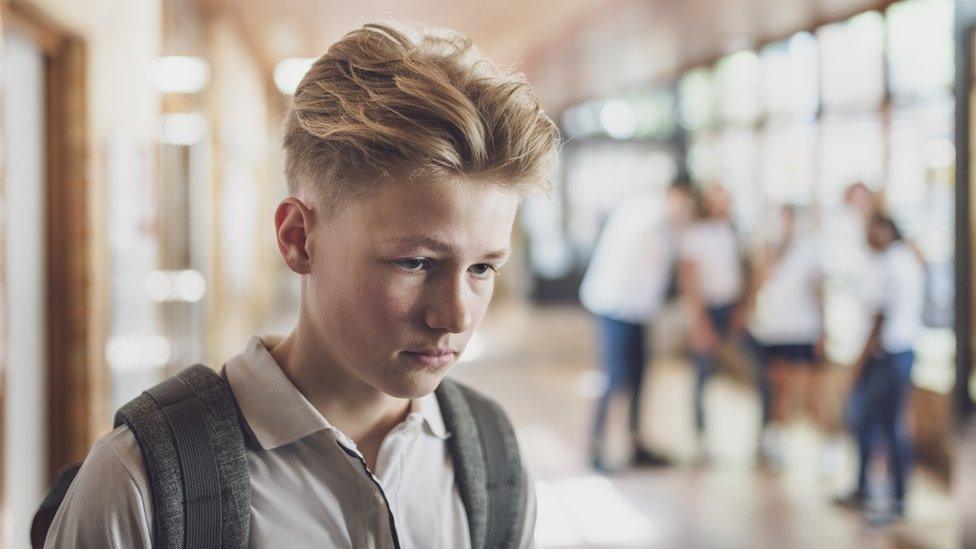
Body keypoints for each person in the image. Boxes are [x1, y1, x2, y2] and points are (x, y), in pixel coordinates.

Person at [43, 22, 559, 548]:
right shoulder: (141, 485)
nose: (455, 316)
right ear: (298, 239)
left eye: (482, 269)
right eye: (415, 262)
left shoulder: (494, 460)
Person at [579, 184, 694, 472]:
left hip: (638, 312)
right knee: (614, 377)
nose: (683, 212)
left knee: (641, 377)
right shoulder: (646, 215)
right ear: (672, 195)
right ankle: (596, 447)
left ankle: (636, 444)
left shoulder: (666, 224)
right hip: (615, 308)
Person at [835, 213, 925, 524]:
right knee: (873, 423)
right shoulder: (901, 259)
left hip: (889, 355)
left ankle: (893, 499)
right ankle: (870, 490)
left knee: (884, 426)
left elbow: (880, 316)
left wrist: (859, 364)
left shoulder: (893, 262)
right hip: (895, 353)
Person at [746, 205, 825, 470]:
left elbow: (818, 292)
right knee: (776, 387)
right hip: (773, 330)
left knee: (808, 391)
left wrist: (822, 331)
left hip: (802, 329)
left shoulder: (809, 253)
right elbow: (757, 287)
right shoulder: (766, 253)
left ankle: (825, 445)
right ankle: (774, 441)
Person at [677, 184, 745, 460]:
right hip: (707, 310)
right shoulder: (695, 235)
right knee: (702, 374)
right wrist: (699, 321)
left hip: (730, 309)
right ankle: (700, 437)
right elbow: (689, 280)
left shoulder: (729, 232)